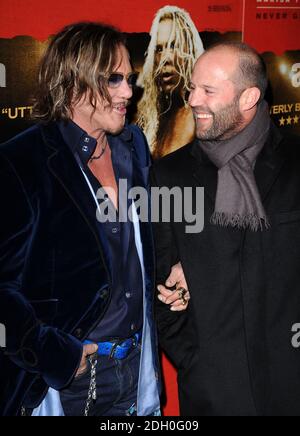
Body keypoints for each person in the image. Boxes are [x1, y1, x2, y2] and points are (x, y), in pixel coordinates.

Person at [0, 22, 188, 417]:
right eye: (113, 79)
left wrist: (172, 267)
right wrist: (58, 357)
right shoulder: (22, 161)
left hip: (138, 365)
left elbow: (142, 236)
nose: (128, 91)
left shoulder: (132, 143)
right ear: (72, 83)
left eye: (129, 78)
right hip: (71, 380)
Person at [153, 41, 300, 416]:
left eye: (208, 91)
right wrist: (194, 360)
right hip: (213, 391)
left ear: (249, 97)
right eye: (192, 88)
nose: (193, 100)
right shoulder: (169, 176)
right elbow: (157, 282)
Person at [136, 6, 204, 159]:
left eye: (173, 46)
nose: (165, 58)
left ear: (190, 50)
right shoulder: (152, 116)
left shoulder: (200, 116)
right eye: (159, 49)